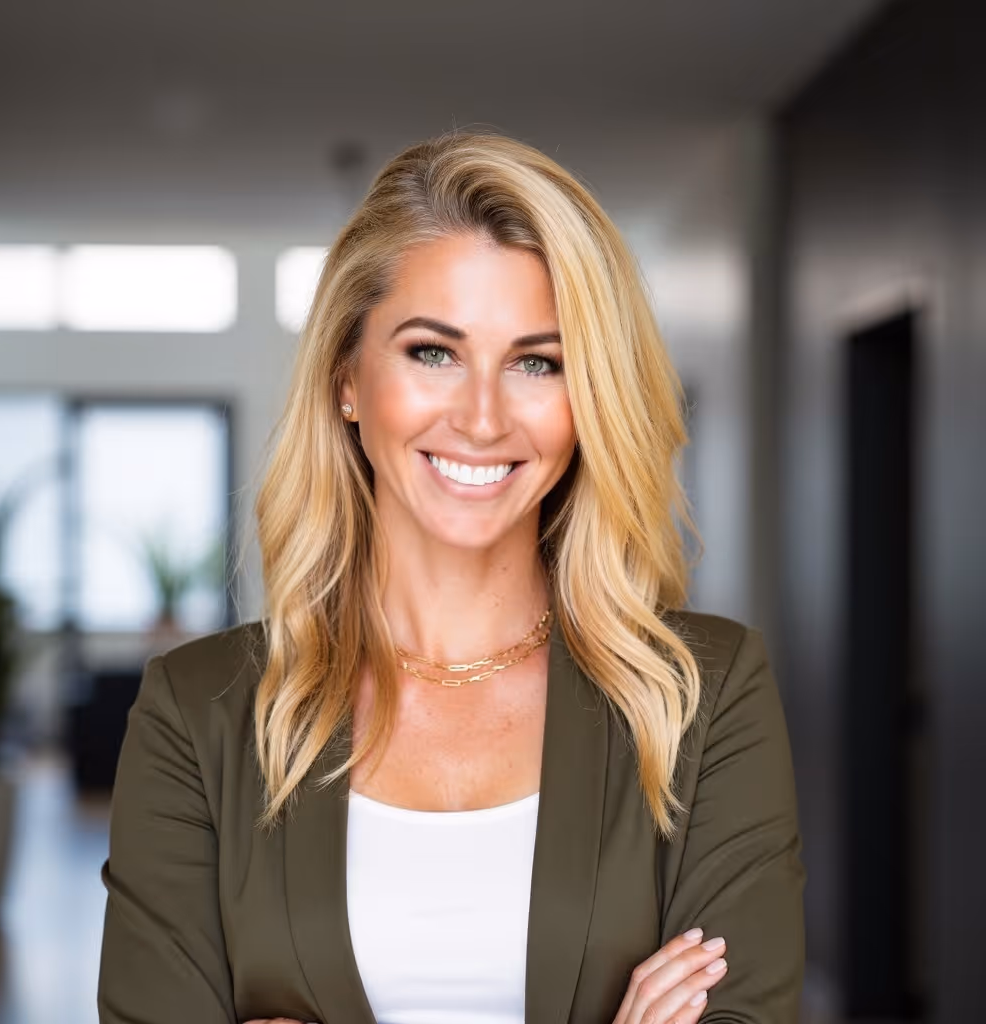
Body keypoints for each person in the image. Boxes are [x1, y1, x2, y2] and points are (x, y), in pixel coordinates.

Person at [97, 131, 805, 1024]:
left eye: (538, 362)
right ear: (347, 378)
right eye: (434, 352)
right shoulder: (197, 713)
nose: (481, 417)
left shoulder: (702, 695)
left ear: (588, 400)